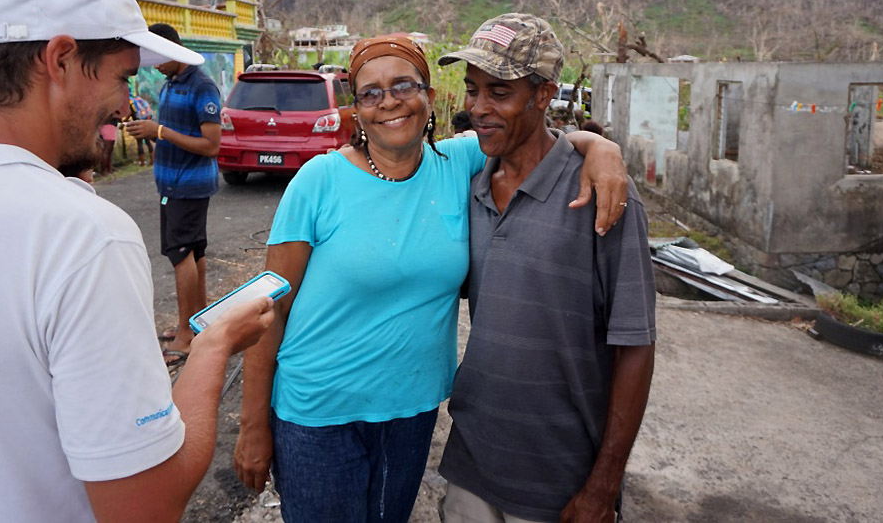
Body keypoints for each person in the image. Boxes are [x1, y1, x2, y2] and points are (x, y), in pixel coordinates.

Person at [0, 0, 274, 523]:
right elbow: (146, 507)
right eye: (121, 78)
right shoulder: (82, 236)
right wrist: (213, 346)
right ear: (59, 58)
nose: (124, 105)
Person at [234, 35, 630, 522]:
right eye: (371, 93)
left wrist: (602, 148)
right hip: (318, 414)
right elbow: (269, 307)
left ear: (429, 95)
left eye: (403, 85)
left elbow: (542, 140)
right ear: (356, 109)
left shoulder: (459, 163)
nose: (389, 102)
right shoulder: (319, 180)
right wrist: (252, 424)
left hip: (411, 410)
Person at [437, 14, 656, 523]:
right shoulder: (470, 186)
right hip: (472, 461)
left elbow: (635, 345)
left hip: (561, 478)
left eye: (499, 92)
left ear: (542, 95)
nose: (478, 108)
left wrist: (603, 485)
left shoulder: (601, 194)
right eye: (472, 90)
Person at [124, 23, 222, 368]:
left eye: (156, 58)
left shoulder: (202, 86)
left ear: (171, 50)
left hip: (188, 185)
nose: (154, 66)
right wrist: (151, 132)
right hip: (171, 184)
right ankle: (199, 320)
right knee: (194, 252)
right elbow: (176, 133)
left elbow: (211, 145)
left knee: (181, 253)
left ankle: (185, 335)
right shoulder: (171, 83)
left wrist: (161, 131)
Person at [130, 88, 156, 166]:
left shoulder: (130, 102)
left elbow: (130, 113)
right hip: (145, 121)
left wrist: (125, 120)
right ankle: (152, 160)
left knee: (139, 143)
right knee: (148, 142)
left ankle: (142, 162)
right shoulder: (138, 99)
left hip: (137, 122)